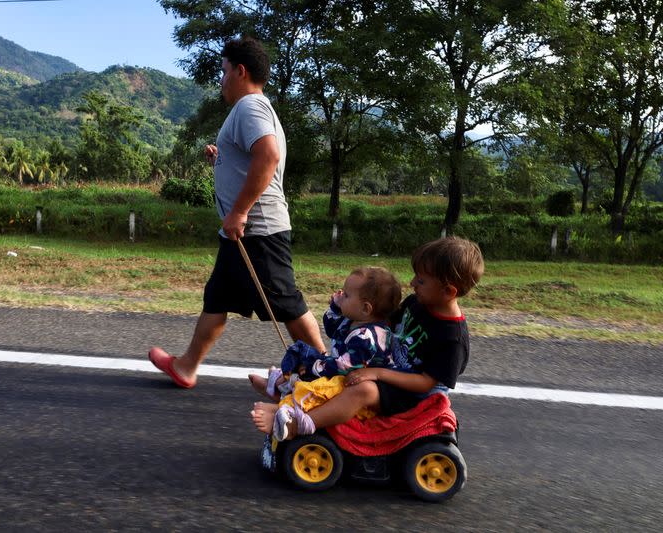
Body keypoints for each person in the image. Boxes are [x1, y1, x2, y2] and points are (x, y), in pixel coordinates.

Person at [148, 36, 325, 388]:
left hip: (257, 230)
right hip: (244, 232)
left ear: (240, 71)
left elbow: (268, 156)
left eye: (224, 71)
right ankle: (186, 366)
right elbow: (254, 159)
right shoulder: (253, 109)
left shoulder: (250, 107)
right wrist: (222, 158)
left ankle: (325, 372)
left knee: (286, 302)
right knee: (218, 298)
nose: (221, 79)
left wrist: (240, 211)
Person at [251, 236, 484, 441]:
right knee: (342, 366)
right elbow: (385, 321)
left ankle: (301, 424)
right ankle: (285, 394)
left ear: (449, 291)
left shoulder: (452, 339)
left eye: (421, 281)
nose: (413, 283)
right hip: (389, 369)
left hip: (413, 396)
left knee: (362, 389)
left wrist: (376, 373)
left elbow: (425, 383)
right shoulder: (418, 303)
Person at [249, 267, 401, 401]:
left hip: (354, 381)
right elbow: (331, 328)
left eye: (347, 295)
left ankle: (283, 388)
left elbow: (345, 366)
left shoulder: (367, 337)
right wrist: (335, 308)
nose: (342, 296)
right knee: (299, 349)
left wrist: (313, 367)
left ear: (365, 309)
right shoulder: (353, 320)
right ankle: (284, 379)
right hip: (340, 370)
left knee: (314, 375)